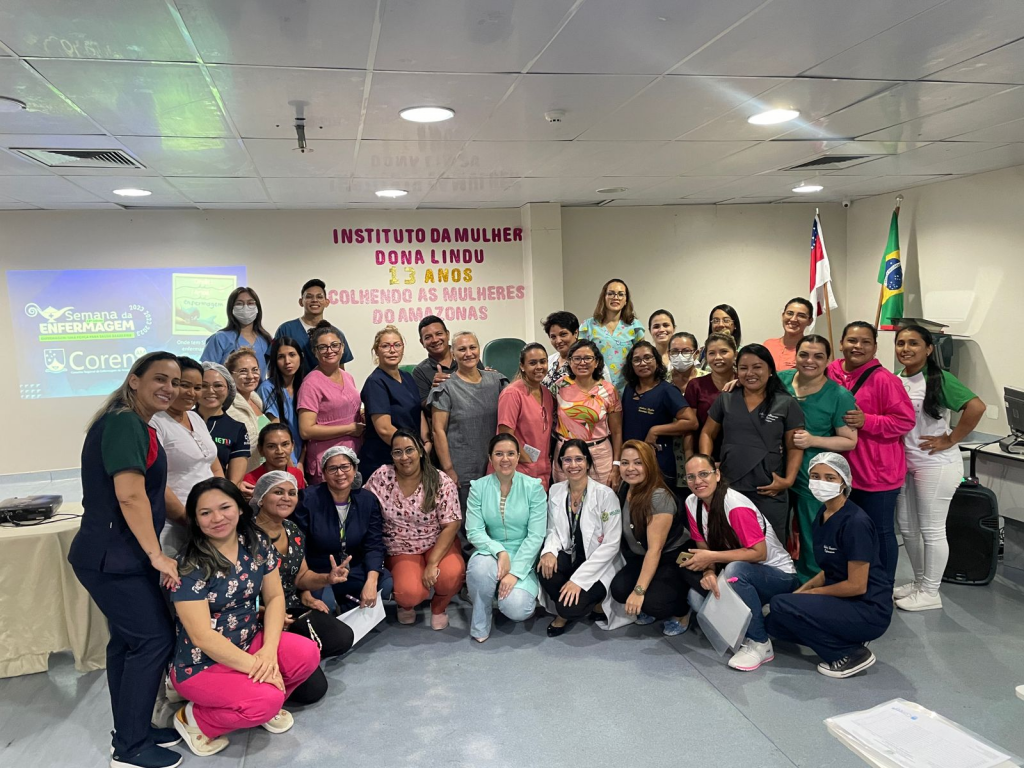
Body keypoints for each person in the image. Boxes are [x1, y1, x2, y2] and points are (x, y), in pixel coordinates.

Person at [68, 352, 184, 768]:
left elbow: (153, 492)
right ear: (133, 381)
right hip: (110, 557)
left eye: (174, 382)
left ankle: (133, 729)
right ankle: (131, 749)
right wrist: (157, 555)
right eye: (159, 378)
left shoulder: (139, 425)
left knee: (128, 642)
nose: (168, 388)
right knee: (153, 640)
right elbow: (130, 494)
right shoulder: (122, 422)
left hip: (120, 555)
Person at [168, 478, 320, 756]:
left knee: (307, 653)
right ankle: (196, 720)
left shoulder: (256, 542)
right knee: (268, 700)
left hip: (248, 640)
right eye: (205, 513)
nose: (217, 518)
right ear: (195, 519)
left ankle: (260, 704)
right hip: (201, 665)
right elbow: (202, 637)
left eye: (225, 507)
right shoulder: (190, 564)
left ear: (240, 508)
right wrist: (257, 665)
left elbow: (275, 598)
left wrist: (269, 653)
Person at [767, 453, 893, 679]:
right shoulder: (824, 514)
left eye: (829, 478)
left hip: (868, 607)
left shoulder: (855, 522)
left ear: (844, 482)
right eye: (815, 476)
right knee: (775, 624)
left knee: (780, 605)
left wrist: (812, 594)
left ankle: (849, 654)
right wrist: (804, 591)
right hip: (844, 600)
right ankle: (845, 635)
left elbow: (856, 586)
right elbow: (831, 567)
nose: (820, 483)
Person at [894, 325, 985, 611]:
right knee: (908, 528)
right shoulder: (897, 379)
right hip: (905, 464)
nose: (905, 349)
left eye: (913, 343)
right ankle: (920, 581)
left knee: (932, 530)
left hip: (935, 464)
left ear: (929, 349)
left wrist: (951, 438)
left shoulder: (938, 378)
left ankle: (931, 592)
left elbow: (976, 407)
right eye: (900, 343)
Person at [681, 454, 799, 671]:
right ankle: (756, 609)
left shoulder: (735, 505)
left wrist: (712, 559)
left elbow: (759, 554)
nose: (698, 481)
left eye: (704, 474)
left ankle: (760, 643)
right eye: (691, 477)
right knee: (696, 600)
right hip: (736, 570)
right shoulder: (692, 503)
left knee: (736, 571)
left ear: (717, 475)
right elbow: (703, 548)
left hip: (777, 574)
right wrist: (708, 572)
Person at [251, 471, 354, 705]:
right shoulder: (244, 537)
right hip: (256, 617)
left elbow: (302, 577)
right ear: (261, 498)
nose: (286, 498)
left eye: (291, 493)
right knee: (313, 690)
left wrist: (327, 578)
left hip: (291, 608)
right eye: (278, 492)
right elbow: (235, 592)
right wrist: (267, 612)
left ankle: (296, 651)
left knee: (342, 637)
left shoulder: (292, 530)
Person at [827, 321, 915, 587]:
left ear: (875, 347)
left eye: (866, 341)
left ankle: (882, 587)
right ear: (841, 344)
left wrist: (868, 421)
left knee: (880, 531)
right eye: (852, 340)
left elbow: (905, 421)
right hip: (841, 472)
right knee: (847, 532)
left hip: (877, 474)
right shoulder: (829, 372)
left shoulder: (885, 380)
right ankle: (851, 582)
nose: (858, 346)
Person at [700, 343, 804, 541]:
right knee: (732, 543)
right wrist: (708, 466)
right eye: (743, 368)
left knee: (772, 549)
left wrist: (788, 480)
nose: (750, 373)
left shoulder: (786, 403)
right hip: (731, 487)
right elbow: (707, 433)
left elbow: (794, 445)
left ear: (770, 370)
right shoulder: (727, 399)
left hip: (769, 490)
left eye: (757, 367)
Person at [365, 430, 464, 630]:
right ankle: (406, 605)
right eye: (397, 452)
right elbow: (365, 506)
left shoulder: (440, 480)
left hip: (436, 542)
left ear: (420, 450)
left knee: (450, 575)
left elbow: (451, 523)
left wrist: (433, 563)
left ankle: (439, 607)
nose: (404, 457)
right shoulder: (382, 476)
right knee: (408, 592)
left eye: (409, 450)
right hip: (399, 547)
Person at [779, 336, 858, 580]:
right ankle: (777, 580)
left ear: (828, 360)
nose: (809, 361)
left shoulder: (838, 396)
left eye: (818, 356)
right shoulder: (780, 381)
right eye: (804, 354)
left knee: (812, 533)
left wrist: (814, 440)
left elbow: (849, 441)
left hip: (811, 477)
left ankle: (812, 585)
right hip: (775, 471)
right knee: (774, 530)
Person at [538, 440, 631, 636]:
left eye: (579, 459)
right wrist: (548, 552)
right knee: (544, 569)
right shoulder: (556, 491)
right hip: (571, 555)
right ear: (561, 464)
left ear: (588, 463)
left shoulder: (605, 495)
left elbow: (611, 545)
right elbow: (553, 529)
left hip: (598, 564)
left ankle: (588, 606)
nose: (573, 465)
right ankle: (570, 601)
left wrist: (578, 581)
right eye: (567, 460)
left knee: (569, 609)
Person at [464, 434, 547, 643]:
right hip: (491, 551)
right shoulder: (478, 487)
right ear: (490, 458)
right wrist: (499, 551)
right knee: (480, 569)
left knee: (517, 608)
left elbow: (536, 536)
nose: (505, 459)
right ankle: (481, 622)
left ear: (518, 457)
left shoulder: (534, 487)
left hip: (523, 553)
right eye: (499, 454)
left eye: (510, 454)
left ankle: (497, 592)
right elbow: (474, 531)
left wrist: (515, 572)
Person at [609, 441, 694, 636]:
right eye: (625, 463)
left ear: (650, 465)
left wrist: (639, 592)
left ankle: (683, 611)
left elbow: (655, 550)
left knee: (652, 601)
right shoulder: (625, 488)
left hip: (671, 558)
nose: (630, 469)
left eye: (638, 463)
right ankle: (652, 601)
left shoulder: (658, 497)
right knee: (619, 591)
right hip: (641, 556)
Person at [292, 446, 393, 610]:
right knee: (327, 604)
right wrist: (303, 588)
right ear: (323, 474)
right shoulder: (308, 499)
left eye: (345, 467)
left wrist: (371, 581)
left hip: (354, 567)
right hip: (320, 570)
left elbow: (374, 544)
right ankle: (338, 603)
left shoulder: (367, 500)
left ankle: (347, 603)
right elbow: (297, 547)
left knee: (385, 584)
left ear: (354, 470)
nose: (340, 473)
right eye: (333, 468)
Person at [428, 330, 509, 514]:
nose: (468, 353)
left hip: (496, 464)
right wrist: (448, 469)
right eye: (462, 349)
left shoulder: (496, 380)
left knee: (497, 516)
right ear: (453, 354)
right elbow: (438, 431)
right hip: (462, 468)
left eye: (473, 347)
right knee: (468, 523)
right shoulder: (445, 388)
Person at [150, 356, 221, 554]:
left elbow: (213, 466)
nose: (191, 393)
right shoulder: (155, 422)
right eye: (184, 385)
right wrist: (188, 520)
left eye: (198, 387)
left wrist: (224, 505)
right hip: (175, 523)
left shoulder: (196, 417)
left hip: (210, 519)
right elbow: (158, 482)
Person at [621, 340, 696, 487]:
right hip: (631, 464)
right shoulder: (629, 389)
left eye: (648, 358)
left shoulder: (667, 390)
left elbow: (691, 422)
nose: (643, 363)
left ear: (656, 360)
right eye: (637, 360)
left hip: (658, 461)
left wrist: (656, 430)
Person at [297, 321, 364, 486]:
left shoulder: (347, 377)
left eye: (335, 345)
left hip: (351, 455)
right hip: (327, 461)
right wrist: (350, 429)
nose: (330, 350)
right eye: (323, 347)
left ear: (342, 347)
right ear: (315, 352)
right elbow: (306, 430)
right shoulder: (311, 383)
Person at [359, 325, 430, 481]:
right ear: (376, 351)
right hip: (384, 460)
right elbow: (384, 429)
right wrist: (413, 449)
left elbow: (418, 412)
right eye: (385, 346)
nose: (392, 350)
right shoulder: (375, 382)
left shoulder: (408, 377)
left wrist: (426, 442)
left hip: (410, 457)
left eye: (397, 345)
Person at [551, 339, 623, 488]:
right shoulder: (559, 386)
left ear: (596, 362)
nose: (582, 362)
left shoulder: (608, 390)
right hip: (566, 454)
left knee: (601, 503)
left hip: (599, 455)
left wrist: (616, 465)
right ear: (570, 362)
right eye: (577, 358)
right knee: (565, 501)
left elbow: (616, 432)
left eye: (588, 358)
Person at [496, 343, 555, 490]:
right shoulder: (512, 394)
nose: (539, 366)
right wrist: (528, 462)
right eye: (532, 363)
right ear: (522, 366)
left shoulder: (547, 394)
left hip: (542, 472)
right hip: (518, 471)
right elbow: (505, 435)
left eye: (543, 361)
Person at [577, 278, 645, 393]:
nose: (615, 297)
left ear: (626, 300)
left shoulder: (635, 326)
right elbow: (580, 358)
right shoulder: (588, 326)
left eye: (620, 294)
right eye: (611, 293)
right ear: (604, 297)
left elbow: (642, 357)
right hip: (595, 389)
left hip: (628, 389)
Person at [274, 278, 354, 373]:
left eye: (319, 297)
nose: (314, 300)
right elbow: (274, 363)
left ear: (326, 302)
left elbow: (340, 369)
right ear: (301, 302)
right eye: (309, 297)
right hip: (293, 387)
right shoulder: (286, 329)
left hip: (325, 386)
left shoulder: (336, 334)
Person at [683, 332, 736, 463]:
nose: (718, 357)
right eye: (712, 353)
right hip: (705, 456)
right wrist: (690, 459)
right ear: (705, 357)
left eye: (724, 352)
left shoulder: (745, 384)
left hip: (739, 457)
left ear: (735, 354)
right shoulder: (696, 385)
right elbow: (690, 428)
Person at [256, 336, 306, 471]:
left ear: (300, 357)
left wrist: (301, 463)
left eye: (292, 355)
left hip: (305, 459)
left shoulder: (306, 386)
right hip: (282, 462)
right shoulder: (267, 388)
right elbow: (277, 432)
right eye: (281, 357)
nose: (287, 361)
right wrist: (292, 467)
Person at [198, 362, 251, 486]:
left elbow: (234, 481)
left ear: (229, 390)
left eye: (218, 385)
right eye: (203, 386)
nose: (211, 391)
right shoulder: (181, 420)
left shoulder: (237, 429)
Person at [412, 314, 483, 404]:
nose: (435, 340)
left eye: (439, 334)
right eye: (428, 337)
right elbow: (423, 407)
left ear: (447, 334)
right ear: (422, 342)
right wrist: (434, 391)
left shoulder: (468, 357)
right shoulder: (420, 371)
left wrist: (488, 377)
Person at [668, 332, 708, 489]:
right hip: (669, 454)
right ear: (668, 354)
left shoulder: (708, 380)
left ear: (696, 353)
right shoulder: (662, 381)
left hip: (701, 450)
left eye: (685, 351)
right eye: (675, 352)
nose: (680, 356)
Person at [200, 287, 273, 370]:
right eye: (239, 304)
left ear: (257, 308)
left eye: (250, 303)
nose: (245, 307)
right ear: (231, 308)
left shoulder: (265, 339)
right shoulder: (220, 338)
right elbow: (207, 372)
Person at [224, 347, 267, 473]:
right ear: (230, 375)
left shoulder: (257, 400)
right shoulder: (228, 408)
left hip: (263, 473)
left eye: (255, 370)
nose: (250, 376)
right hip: (243, 477)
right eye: (243, 371)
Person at [244, 423, 306, 490]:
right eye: (271, 446)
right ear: (261, 450)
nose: (280, 451)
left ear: (292, 446)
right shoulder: (249, 481)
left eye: (285, 444)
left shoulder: (296, 474)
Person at [763, 297, 814, 371]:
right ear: (783, 315)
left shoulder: (811, 349)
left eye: (801, 316)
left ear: (810, 321)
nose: (793, 319)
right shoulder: (768, 345)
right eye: (790, 313)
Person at [541, 310, 579, 395]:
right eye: (553, 337)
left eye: (563, 334)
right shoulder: (549, 361)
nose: (558, 341)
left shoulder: (590, 361)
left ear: (575, 333)